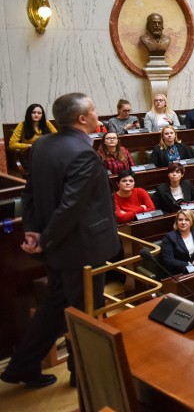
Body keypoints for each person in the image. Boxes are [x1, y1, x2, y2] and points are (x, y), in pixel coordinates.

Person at [0, 93, 119, 389]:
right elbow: (71, 206)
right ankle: (84, 376)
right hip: (81, 250)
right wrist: (44, 239)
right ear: (82, 118)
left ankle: (22, 366)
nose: (97, 114)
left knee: (55, 306)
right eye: (93, 110)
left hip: (57, 249)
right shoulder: (84, 153)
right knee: (86, 315)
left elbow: (29, 192)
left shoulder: (41, 145)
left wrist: (33, 231)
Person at [159, 210, 194, 275]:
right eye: (180, 220)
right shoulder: (169, 238)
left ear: (192, 221)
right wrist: (188, 264)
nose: (183, 222)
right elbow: (168, 260)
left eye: (187, 219)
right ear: (176, 222)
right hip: (179, 272)